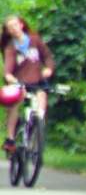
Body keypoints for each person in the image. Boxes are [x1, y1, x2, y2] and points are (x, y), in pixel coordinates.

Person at [1, 14, 55, 153]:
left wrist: (49, 68)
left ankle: (38, 126)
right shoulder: (10, 48)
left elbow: (47, 56)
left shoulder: (35, 40)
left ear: (21, 25)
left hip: (37, 81)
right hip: (20, 82)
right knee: (15, 105)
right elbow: (8, 70)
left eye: (15, 25)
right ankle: (11, 138)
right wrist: (11, 79)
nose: (13, 29)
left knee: (42, 97)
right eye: (10, 27)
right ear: (8, 31)